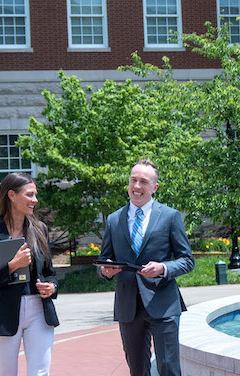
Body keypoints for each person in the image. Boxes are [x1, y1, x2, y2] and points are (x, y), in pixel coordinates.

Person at [97, 159, 195, 376]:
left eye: (143, 181)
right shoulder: (114, 220)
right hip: (128, 306)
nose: (137, 186)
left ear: (154, 187)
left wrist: (163, 268)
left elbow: (187, 260)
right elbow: (104, 260)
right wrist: (105, 270)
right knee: (137, 370)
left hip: (163, 304)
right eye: (133, 180)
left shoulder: (170, 216)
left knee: (168, 368)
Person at [0, 172, 60, 376]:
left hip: (39, 311)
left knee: (40, 373)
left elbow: (50, 273)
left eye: (35, 195)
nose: (35, 200)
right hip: (3, 313)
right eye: (29, 195)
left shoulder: (40, 230)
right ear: (11, 195)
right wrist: (11, 266)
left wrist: (51, 287)